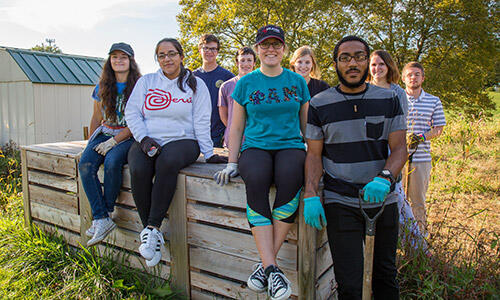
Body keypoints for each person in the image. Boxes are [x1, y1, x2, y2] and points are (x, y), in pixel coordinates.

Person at [304, 36, 407, 299]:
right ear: (335, 64)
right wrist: (311, 194)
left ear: (367, 60)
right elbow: (314, 156)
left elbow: (399, 149)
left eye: (359, 56)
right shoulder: (319, 104)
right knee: (349, 282)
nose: (353, 63)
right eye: (345, 58)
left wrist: (385, 178)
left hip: (383, 200)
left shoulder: (388, 98)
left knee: (385, 276)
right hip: (341, 201)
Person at [214, 25, 310, 300]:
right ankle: (273, 268)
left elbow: (306, 124)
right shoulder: (245, 83)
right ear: (257, 50)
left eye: (276, 45)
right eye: (265, 45)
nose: (271, 49)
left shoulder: (297, 82)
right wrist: (232, 162)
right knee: (254, 178)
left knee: (292, 176)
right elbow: (235, 127)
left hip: (291, 145)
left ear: (284, 50)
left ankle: (266, 267)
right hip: (255, 147)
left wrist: (313, 156)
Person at [125, 38, 227, 267]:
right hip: (149, 139)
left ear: (181, 56)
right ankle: (152, 234)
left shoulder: (195, 84)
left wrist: (209, 153)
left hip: (184, 141)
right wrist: (143, 138)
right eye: (161, 55)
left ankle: (151, 229)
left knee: (167, 162)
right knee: (139, 168)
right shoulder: (146, 82)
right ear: (157, 59)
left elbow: (201, 121)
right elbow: (132, 113)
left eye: (171, 54)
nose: (167, 59)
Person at [78, 42, 141, 247]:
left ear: (131, 61)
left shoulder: (139, 85)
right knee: (86, 164)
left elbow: (138, 121)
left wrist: (115, 141)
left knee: (113, 161)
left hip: (128, 135)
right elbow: (96, 117)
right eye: (114, 57)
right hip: (104, 132)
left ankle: (104, 214)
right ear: (109, 61)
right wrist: (90, 145)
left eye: (123, 57)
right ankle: (102, 218)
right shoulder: (102, 86)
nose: (118, 60)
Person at [368, 50, 425, 247]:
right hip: (368, 149)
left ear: (389, 66)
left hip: (391, 147)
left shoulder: (397, 92)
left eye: (381, 64)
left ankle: (416, 246)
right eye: (373, 64)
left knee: (397, 197)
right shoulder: (363, 89)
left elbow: (400, 125)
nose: (377, 68)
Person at [402, 61, 446, 233]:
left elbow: (438, 129)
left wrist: (420, 137)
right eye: (410, 75)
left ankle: (419, 239)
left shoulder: (433, 101)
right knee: (399, 199)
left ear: (423, 78)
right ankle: (400, 237)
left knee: (417, 200)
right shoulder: (397, 99)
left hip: (421, 159)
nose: (413, 78)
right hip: (399, 157)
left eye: (417, 74)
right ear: (404, 78)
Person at [194, 34, 235, 147]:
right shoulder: (192, 77)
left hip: (219, 135)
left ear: (217, 52)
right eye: (205, 48)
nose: (209, 52)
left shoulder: (228, 77)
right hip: (196, 135)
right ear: (199, 50)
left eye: (213, 49)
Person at [218, 46, 256, 147]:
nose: (246, 64)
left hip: (255, 140)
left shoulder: (261, 85)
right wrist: (236, 129)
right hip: (232, 141)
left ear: (254, 63)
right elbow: (224, 116)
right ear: (237, 63)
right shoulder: (226, 86)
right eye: (242, 60)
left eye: (249, 60)